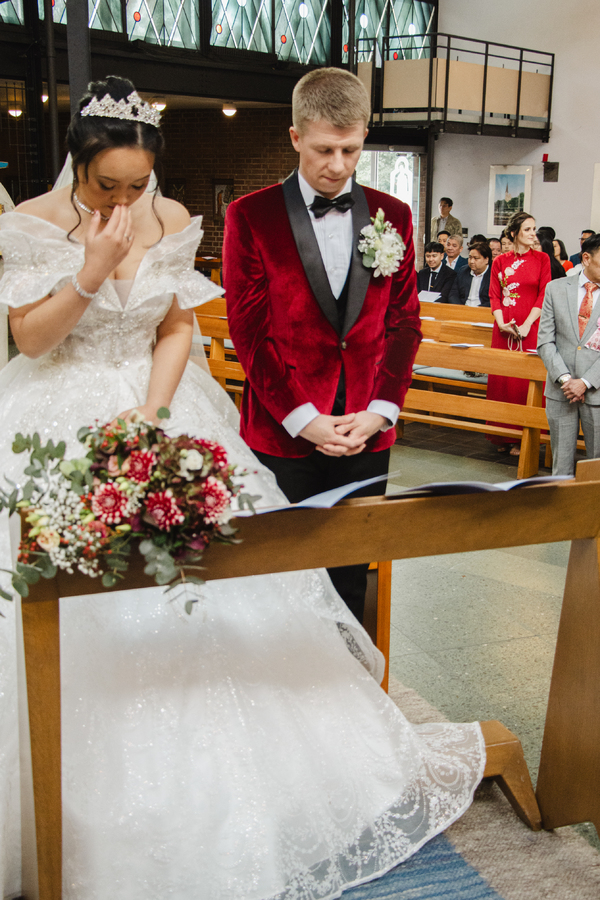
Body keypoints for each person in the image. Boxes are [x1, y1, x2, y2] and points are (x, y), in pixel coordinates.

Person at [0, 76, 483, 900]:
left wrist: (153, 417)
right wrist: (90, 273)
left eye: (138, 184)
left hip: (161, 408)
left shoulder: (169, 216)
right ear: (77, 166)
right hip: (57, 414)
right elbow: (30, 339)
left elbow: (176, 324)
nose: (125, 200)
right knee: (78, 599)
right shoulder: (33, 224)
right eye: (108, 185)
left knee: (232, 589)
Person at [224, 68, 422, 624]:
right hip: (282, 432)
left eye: (350, 150)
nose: (338, 165)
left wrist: (380, 410)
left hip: (365, 430)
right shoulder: (251, 215)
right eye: (324, 150)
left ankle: (348, 677)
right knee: (279, 578)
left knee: (351, 576)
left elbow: (404, 323)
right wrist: (303, 418)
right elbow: (249, 333)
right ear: (295, 137)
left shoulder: (394, 215)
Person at [487, 211, 551, 455]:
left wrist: (527, 325)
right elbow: (494, 295)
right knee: (503, 381)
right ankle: (502, 434)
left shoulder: (542, 259)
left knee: (525, 383)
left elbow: (544, 294)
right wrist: (501, 323)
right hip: (504, 327)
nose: (533, 234)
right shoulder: (500, 261)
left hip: (531, 326)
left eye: (534, 229)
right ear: (514, 233)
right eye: (527, 229)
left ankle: (524, 436)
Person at [538, 233, 600, 476]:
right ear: (586, 258)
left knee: (596, 467)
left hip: (596, 390)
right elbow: (545, 341)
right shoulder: (556, 289)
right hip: (561, 390)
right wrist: (566, 379)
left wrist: (585, 382)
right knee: (561, 465)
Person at [448, 241, 492, 306]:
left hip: (483, 309)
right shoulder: (463, 271)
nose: (471, 261)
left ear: (486, 260)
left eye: (476, 258)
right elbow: (453, 294)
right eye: (470, 257)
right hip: (463, 308)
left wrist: (478, 310)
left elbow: (494, 300)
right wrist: (460, 308)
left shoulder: (493, 274)